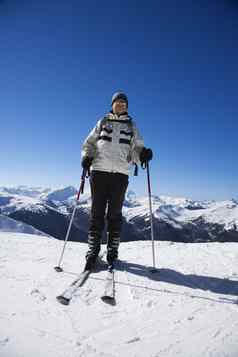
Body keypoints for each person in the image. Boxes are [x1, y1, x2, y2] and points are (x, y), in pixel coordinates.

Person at [81, 91, 153, 270]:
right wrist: (87, 156)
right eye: (117, 102)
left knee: (114, 214)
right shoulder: (103, 122)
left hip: (120, 174)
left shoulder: (132, 126)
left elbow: (136, 149)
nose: (120, 105)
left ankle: (112, 251)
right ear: (112, 104)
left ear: (127, 107)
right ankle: (93, 250)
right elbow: (89, 143)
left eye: (123, 103)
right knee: (96, 212)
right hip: (99, 171)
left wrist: (143, 155)